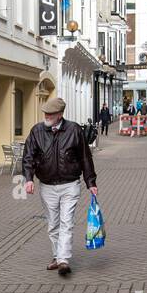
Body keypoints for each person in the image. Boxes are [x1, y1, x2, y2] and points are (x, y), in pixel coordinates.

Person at [21, 95, 97, 277]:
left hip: (70, 184)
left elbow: (85, 157)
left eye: (51, 113)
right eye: (45, 113)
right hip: (47, 186)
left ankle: (63, 260)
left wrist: (91, 182)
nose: (46, 116)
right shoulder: (37, 131)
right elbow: (28, 156)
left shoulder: (74, 130)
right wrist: (28, 178)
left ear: (60, 114)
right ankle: (57, 256)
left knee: (66, 222)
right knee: (53, 225)